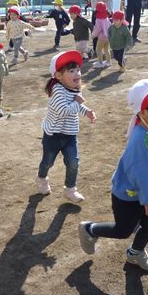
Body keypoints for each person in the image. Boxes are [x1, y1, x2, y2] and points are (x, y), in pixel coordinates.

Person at [78, 79, 148, 270]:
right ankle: (90, 229)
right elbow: (141, 173)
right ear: (144, 113)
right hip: (129, 196)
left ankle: (135, 253)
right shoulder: (140, 140)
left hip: (144, 192)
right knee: (123, 231)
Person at [36, 51, 96, 203]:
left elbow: (75, 104)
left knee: (73, 162)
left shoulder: (74, 89)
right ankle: (42, 178)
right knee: (48, 162)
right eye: (71, 71)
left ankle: (70, 189)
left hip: (70, 135)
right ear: (58, 76)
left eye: (78, 69)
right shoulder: (57, 91)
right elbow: (64, 110)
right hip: (53, 136)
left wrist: (86, 111)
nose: (77, 73)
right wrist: (78, 103)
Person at [90, 2, 112, 68]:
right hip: (107, 37)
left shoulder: (98, 20)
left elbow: (97, 29)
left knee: (98, 50)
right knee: (106, 50)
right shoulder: (107, 19)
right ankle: (108, 62)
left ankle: (100, 63)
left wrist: (93, 35)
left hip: (101, 38)